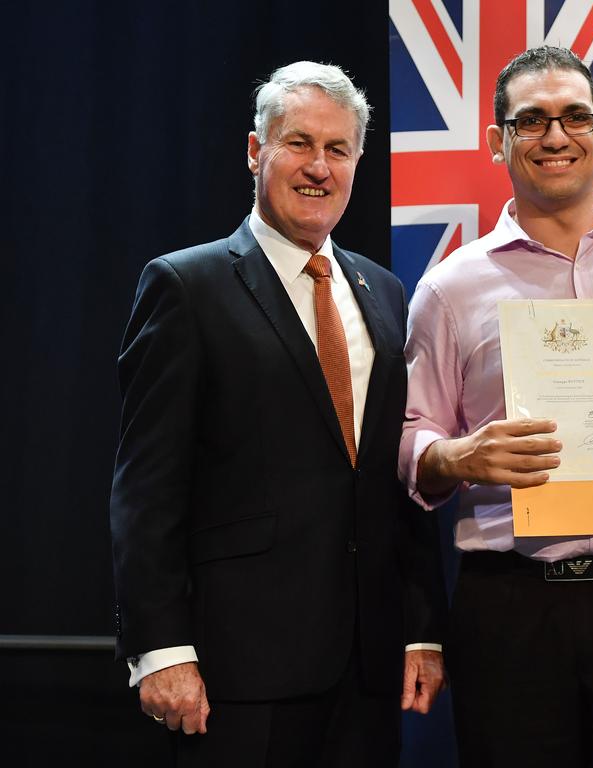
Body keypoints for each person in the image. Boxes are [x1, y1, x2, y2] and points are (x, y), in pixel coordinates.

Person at [109, 61, 447, 766]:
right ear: (256, 151)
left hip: (366, 665)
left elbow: (389, 476)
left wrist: (419, 626)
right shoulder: (185, 285)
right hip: (236, 671)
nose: (318, 167)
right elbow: (147, 487)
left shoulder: (383, 292)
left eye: (338, 150)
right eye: (299, 143)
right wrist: (162, 647)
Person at [400, 46, 593, 767]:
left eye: (576, 117)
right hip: (512, 609)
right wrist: (458, 455)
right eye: (531, 120)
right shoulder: (450, 288)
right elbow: (412, 439)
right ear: (497, 141)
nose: (555, 136)